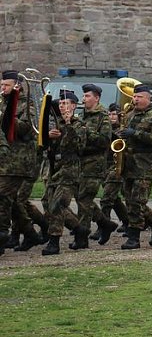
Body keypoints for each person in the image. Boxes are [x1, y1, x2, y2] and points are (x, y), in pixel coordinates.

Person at [118, 83, 152, 249]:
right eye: (134, 96)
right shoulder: (131, 114)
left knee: (138, 202)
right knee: (130, 200)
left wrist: (135, 133)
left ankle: (134, 237)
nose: (135, 99)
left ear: (147, 98)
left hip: (145, 165)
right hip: (130, 164)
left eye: (139, 97)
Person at [0, 70, 42, 253]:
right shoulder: (2, 103)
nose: (3, 89)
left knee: (2, 197)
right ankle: (31, 232)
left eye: (6, 85)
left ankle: (2, 234)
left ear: (17, 86)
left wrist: (4, 117)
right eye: (1, 85)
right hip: (4, 158)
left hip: (18, 161)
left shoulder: (27, 104)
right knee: (14, 201)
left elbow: (26, 128)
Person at [41, 91, 86, 255]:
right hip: (54, 169)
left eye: (66, 103)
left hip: (69, 171)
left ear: (73, 106)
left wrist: (67, 126)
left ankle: (54, 242)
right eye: (60, 104)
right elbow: (43, 145)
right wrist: (48, 136)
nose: (62, 106)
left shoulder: (78, 125)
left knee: (58, 205)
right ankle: (79, 229)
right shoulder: (54, 123)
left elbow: (77, 147)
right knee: (47, 202)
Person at [75, 83, 117, 246]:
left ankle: (82, 237)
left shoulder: (103, 117)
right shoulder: (82, 116)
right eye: (84, 96)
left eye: (87, 96)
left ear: (96, 98)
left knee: (85, 200)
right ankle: (105, 223)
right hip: (81, 163)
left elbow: (104, 141)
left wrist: (85, 131)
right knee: (81, 198)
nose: (84, 99)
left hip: (95, 163)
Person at [98, 103, 129, 242]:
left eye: (114, 114)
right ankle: (127, 220)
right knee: (114, 198)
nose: (111, 117)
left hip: (117, 165)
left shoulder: (122, 129)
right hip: (105, 165)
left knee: (107, 198)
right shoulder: (106, 128)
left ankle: (103, 226)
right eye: (109, 114)